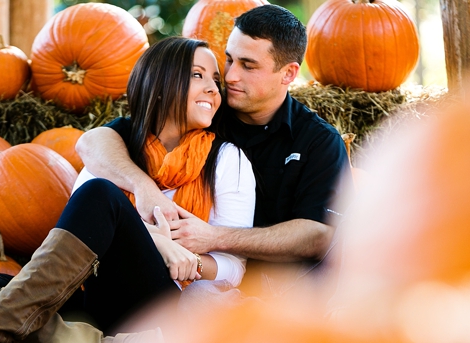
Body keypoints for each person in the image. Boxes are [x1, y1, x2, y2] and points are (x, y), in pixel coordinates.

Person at [0, 37, 256, 343]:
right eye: (198, 75)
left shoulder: (227, 159)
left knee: (100, 193)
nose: (213, 88)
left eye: (215, 79)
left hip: (161, 308)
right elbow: (83, 235)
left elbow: (233, 268)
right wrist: (158, 239)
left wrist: (189, 260)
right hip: (95, 303)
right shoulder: (115, 151)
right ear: (159, 84)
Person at [76, 5, 352, 297]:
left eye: (248, 65)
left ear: (288, 73)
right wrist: (144, 187)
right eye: (230, 60)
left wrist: (214, 237)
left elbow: (319, 235)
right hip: (180, 277)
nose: (230, 76)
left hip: (277, 292)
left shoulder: (318, 142)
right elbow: (93, 142)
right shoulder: (204, 110)